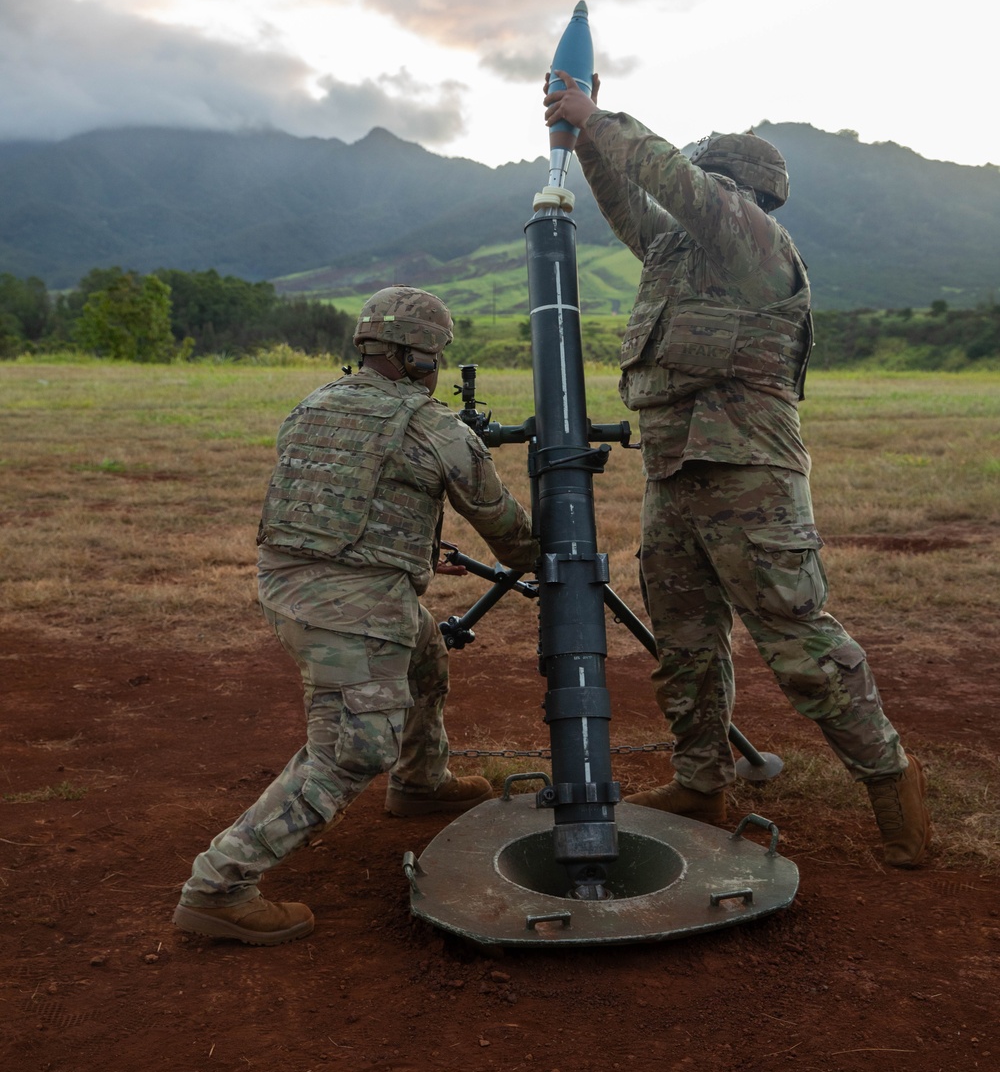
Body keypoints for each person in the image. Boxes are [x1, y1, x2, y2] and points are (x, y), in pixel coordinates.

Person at [543, 73, 932, 868]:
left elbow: (679, 187)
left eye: (710, 179)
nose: (698, 191)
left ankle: (894, 786)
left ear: (738, 189)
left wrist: (599, 116)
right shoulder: (678, 250)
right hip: (674, 474)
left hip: (749, 477)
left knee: (800, 647)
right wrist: (587, 141)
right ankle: (700, 780)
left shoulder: (751, 239)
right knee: (685, 644)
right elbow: (627, 199)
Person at [173, 286, 538, 944]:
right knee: (352, 748)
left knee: (424, 652)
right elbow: (510, 534)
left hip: (290, 588)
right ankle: (219, 886)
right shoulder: (434, 427)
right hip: (348, 612)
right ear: (419, 357)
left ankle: (421, 782)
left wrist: (417, 552)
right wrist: (557, 544)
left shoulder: (314, 405)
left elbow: (341, 503)